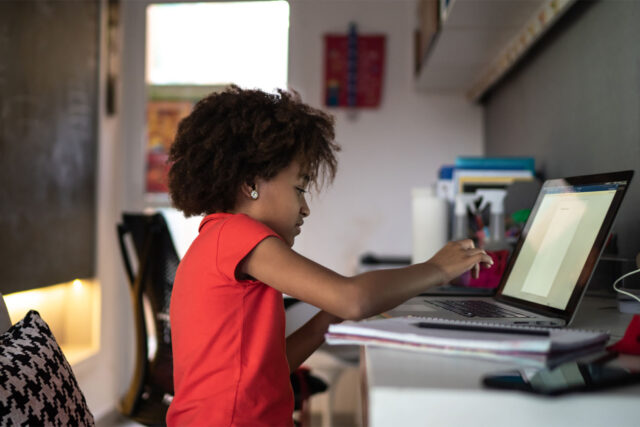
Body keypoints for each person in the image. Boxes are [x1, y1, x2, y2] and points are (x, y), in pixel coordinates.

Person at [165, 85, 493, 427]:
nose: (306, 208)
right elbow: (352, 298)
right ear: (251, 183)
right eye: (300, 188)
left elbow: (268, 370)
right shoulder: (237, 235)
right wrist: (437, 268)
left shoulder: (219, 238)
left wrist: (328, 319)